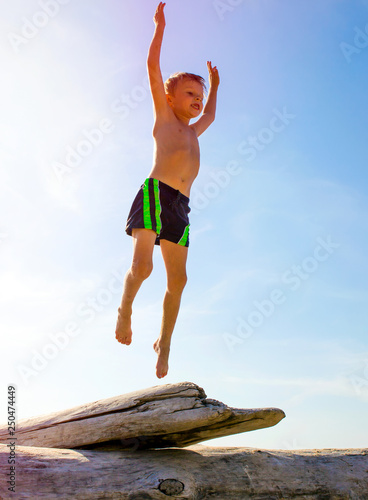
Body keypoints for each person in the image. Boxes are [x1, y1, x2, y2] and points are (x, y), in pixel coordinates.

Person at [115, 2, 220, 378]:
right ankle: (125, 309)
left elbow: (211, 115)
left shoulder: (194, 130)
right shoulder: (164, 118)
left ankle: (165, 343)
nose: (197, 100)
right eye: (191, 93)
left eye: (200, 96)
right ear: (170, 97)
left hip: (180, 207)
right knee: (142, 268)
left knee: (179, 280)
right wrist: (159, 28)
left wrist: (216, 87)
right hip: (155, 193)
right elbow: (152, 68)